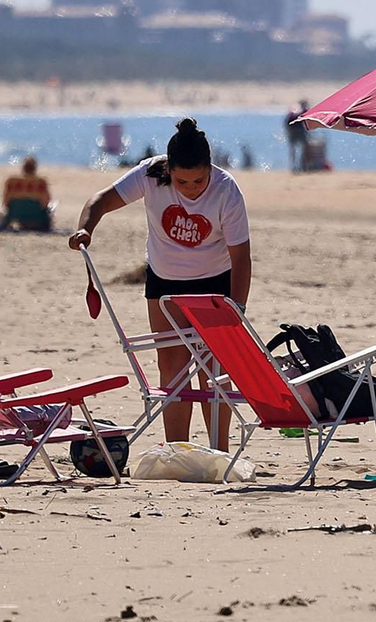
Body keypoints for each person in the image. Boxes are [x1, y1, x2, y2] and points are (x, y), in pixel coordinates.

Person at [68, 118, 252, 445]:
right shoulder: (151, 175)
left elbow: (241, 257)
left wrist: (236, 309)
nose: (191, 188)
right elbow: (100, 200)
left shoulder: (226, 191)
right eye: (182, 181)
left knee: (216, 372)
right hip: (165, 282)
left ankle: (219, 450)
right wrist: (86, 228)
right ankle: (177, 448)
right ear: (169, 171)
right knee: (172, 367)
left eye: (198, 180)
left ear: (210, 168)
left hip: (215, 283)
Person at [0, 156, 52, 230]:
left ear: (23, 167)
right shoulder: (40, 183)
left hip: (16, 215)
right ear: (35, 168)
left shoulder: (12, 182)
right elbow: (45, 202)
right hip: (37, 217)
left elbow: (5, 202)